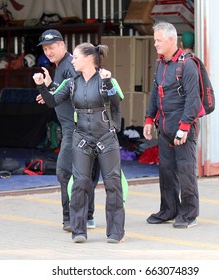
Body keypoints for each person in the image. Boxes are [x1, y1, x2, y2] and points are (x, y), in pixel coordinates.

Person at [33, 42, 125, 243]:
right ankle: (79, 231)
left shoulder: (105, 79)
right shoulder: (72, 82)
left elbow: (117, 103)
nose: (72, 61)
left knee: (113, 184)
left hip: (106, 138)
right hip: (82, 137)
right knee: (80, 183)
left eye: (75, 57)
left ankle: (116, 232)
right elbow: (52, 101)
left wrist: (108, 84)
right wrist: (41, 84)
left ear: (88, 59)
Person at [36, 29, 99, 232]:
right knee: (83, 174)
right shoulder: (61, 67)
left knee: (64, 172)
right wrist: (50, 89)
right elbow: (63, 95)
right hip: (76, 129)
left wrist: (52, 91)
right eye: (45, 49)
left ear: (62, 45)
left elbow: (82, 92)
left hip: (76, 129)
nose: (49, 51)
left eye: (52, 47)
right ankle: (86, 216)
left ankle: (71, 218)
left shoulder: (70, 66)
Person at [143, 22, 202, 228]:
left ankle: (189, 214)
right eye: (155, 40)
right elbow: (154, 93)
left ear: (170, 40)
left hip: (183, 128)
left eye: (158, 40)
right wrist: (149, 119)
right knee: (166, 171)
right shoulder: (160, 64)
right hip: (165, 128)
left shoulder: (187, 65)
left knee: (185, 171)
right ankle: (168, 209)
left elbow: (193, 99)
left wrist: (185, 126)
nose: (155, 44)